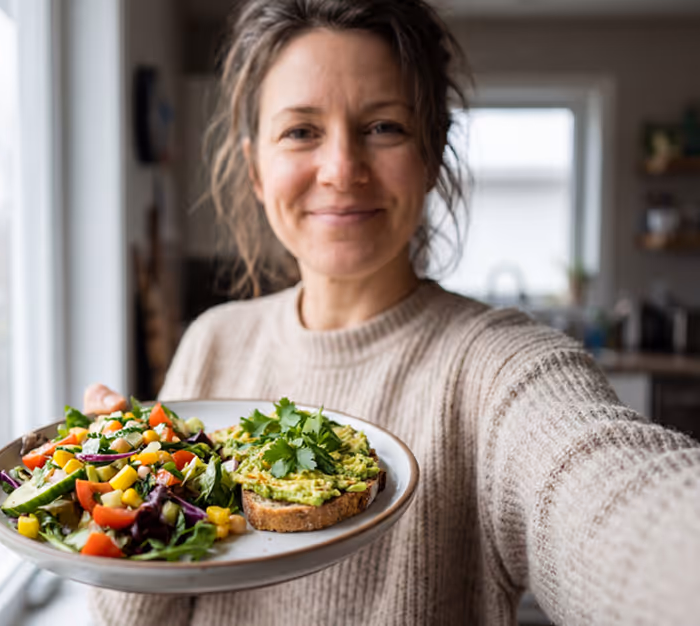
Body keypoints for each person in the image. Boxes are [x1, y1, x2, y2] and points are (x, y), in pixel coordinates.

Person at [90, 0, 700, 624]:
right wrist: (122, 484)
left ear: (432, 154)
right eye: (301, 131)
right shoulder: (211, 343)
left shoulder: (500, 370)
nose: (341, 170)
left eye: (384, 127)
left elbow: (615, 500)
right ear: (254, 168)